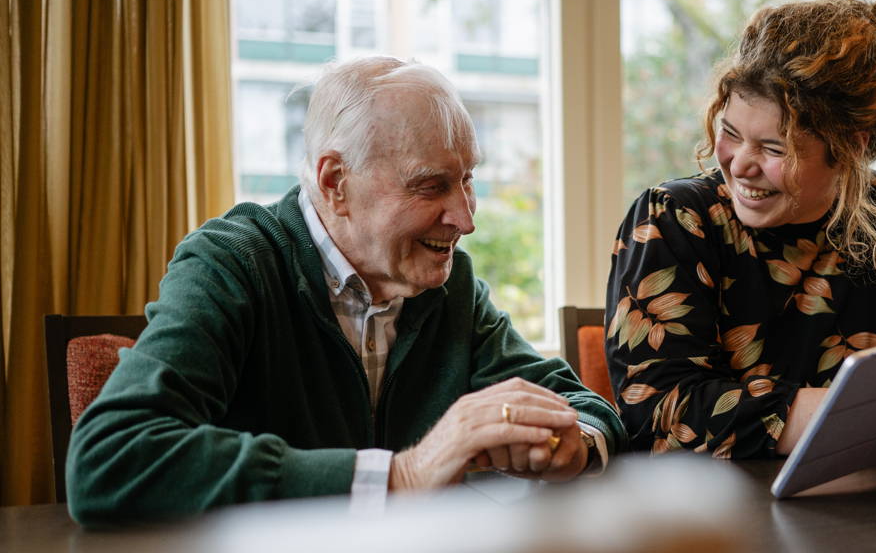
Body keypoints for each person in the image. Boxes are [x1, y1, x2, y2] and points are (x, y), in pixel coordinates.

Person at [67, 57, 624, 525]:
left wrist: (573, 443)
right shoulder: (232, 264)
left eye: (467, 180)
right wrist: (401, 476)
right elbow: (111, 459)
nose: (465, 218)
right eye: (431, 186)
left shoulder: (447, 284)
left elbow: (585, 407)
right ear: (336, 182)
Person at [605, 0, 876, 461]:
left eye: (774, 148)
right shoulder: (675, 218)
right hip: (705, 507)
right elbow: (656, 414)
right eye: (730, 133)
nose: (740, 165)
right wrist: (852, 412)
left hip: (872, 502)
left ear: (850, 148)